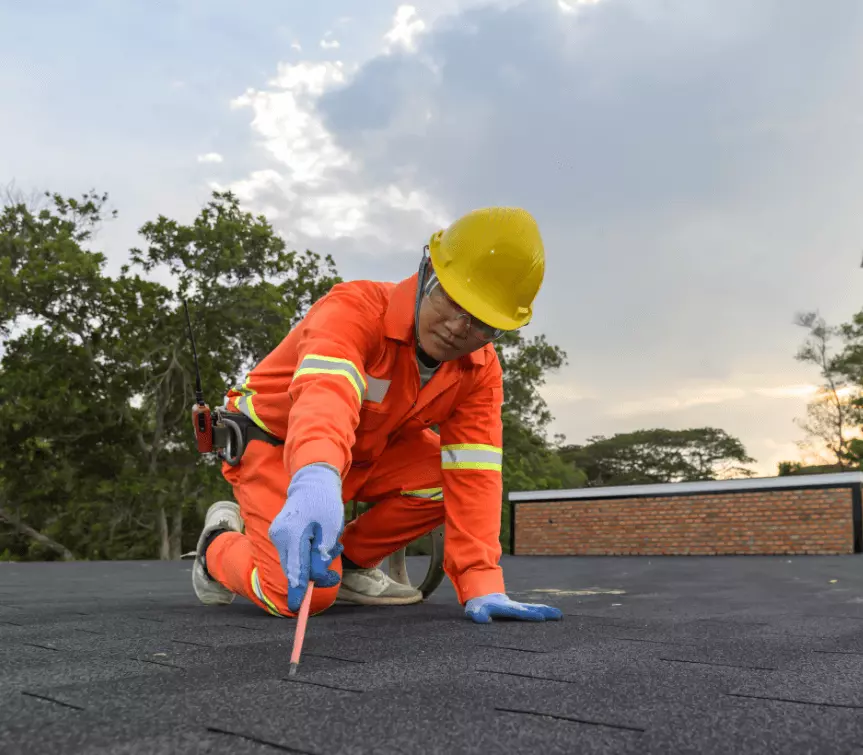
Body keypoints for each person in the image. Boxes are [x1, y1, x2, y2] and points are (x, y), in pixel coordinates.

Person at [190, 206, 563, 625]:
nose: (460, 328)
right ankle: (216, 548)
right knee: (293, 595)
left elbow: (474, 472)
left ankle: (348, 563)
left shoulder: (480, 369)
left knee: (447, 476)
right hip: (275, 445)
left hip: (364, 455)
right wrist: (315, 474)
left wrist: (481, 580)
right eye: (453, 300)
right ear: (426, 272)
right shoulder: (354, 310)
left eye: (484, 323)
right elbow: (325, 396)